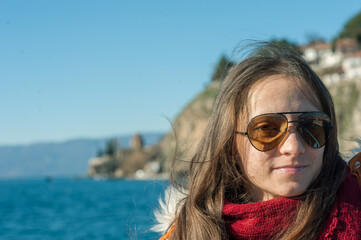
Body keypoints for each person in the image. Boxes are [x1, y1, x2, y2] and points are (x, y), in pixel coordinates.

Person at [153, 42, 361, 240]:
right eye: (266, 129)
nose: (294, 147)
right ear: (229, 143)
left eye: (311, 126)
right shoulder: (186, 232)